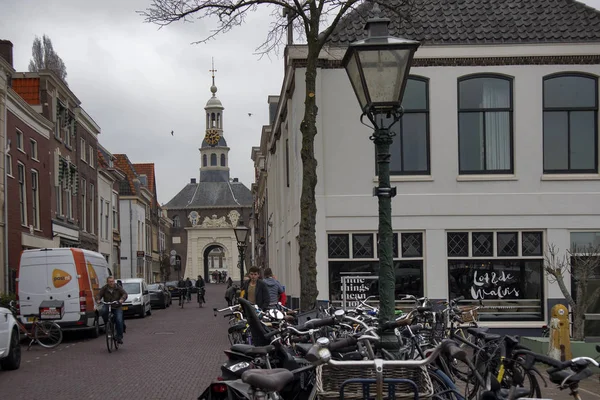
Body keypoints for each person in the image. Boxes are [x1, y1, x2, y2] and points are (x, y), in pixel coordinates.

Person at [95, 276, 127, 344]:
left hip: (117, 306)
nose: (111, 283)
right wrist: (98, 299)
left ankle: (119, 337)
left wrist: (121, 299)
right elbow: (99, 295)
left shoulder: (118, 288)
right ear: (107, 282)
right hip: (107, 305)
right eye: (110, 282)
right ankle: (107, 323)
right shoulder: (104, 288)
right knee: (103, 311)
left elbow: (124, 294)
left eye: (112, 281)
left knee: (119, 320)